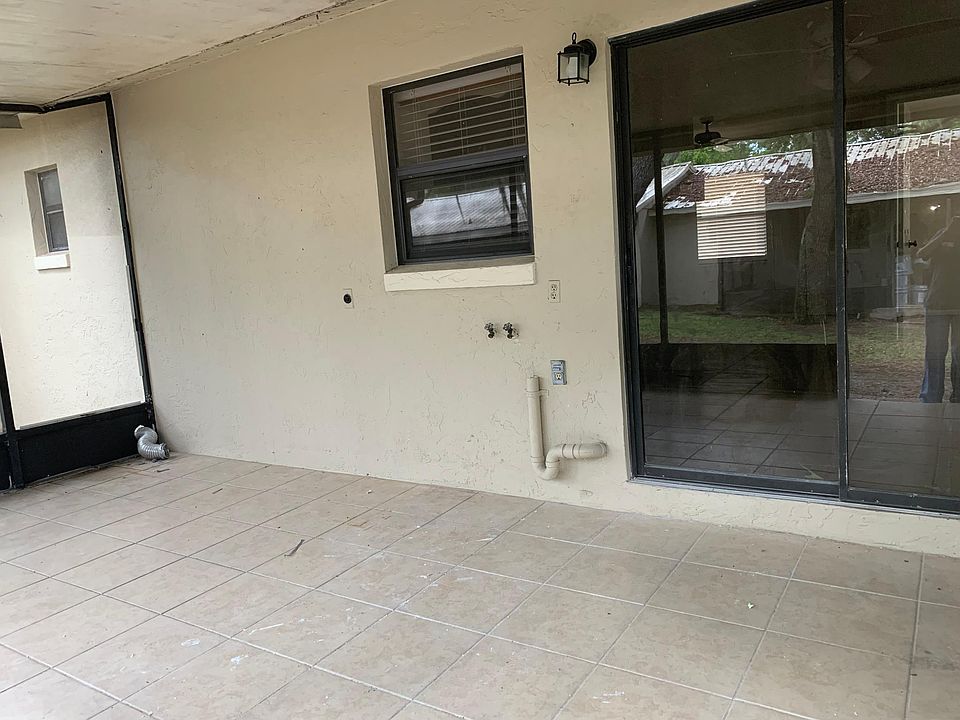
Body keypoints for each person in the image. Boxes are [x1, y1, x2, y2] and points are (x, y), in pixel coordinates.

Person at [918, 214, 960, 403]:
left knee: (959, 353)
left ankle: (958, 394)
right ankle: (931, 395)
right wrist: (945, 234)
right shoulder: (941, 235)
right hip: (937, 303)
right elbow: (922, 253)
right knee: (935, 352)